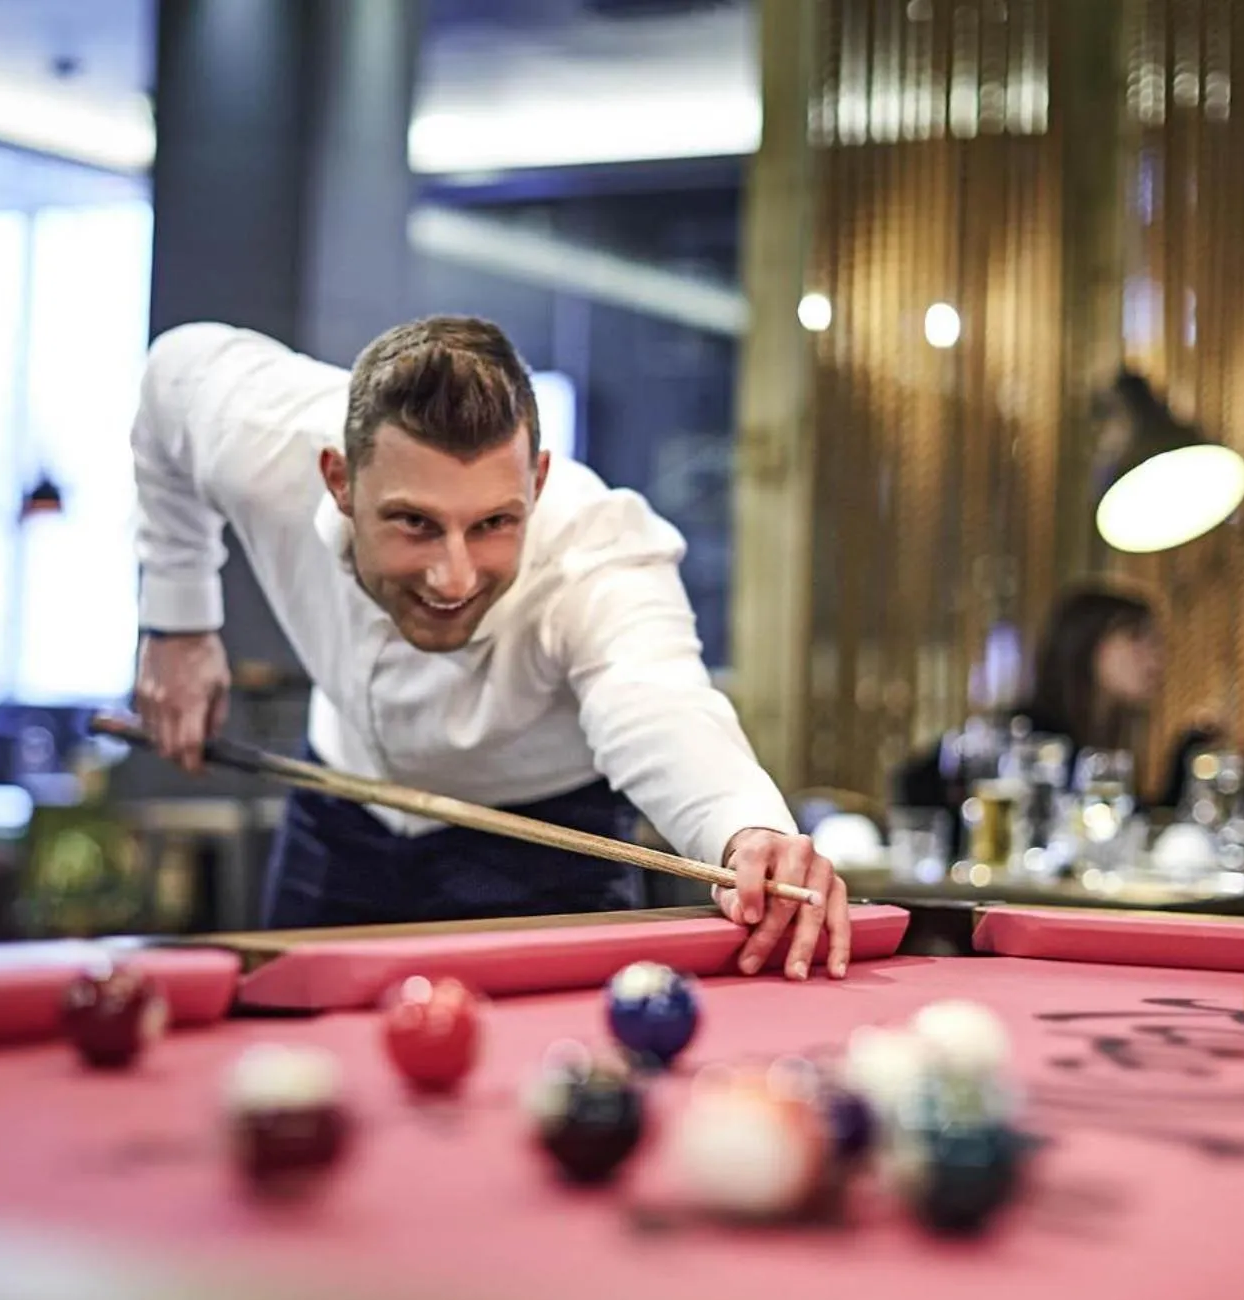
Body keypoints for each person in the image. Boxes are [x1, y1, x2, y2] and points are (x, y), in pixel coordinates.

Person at [130, 316, 850, 978]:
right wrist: (178, 621)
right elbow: (171, 375)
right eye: (414, 522)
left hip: (541, 846)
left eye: (493, 523)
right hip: (339, 815)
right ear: (340, 480)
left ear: (535, 482)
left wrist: (746, 830)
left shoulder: (597, 552)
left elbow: (658, 701)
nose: (454, 575)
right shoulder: (264, 436)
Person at [894, 585, 1215, 813]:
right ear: (1085, 645)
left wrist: (1188, 755)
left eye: (1156, 643)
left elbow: (1124, 826)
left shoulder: (1094, 741)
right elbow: (915, 780)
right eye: (1136, 639)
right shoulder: (1029, 735)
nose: (1155, 659)